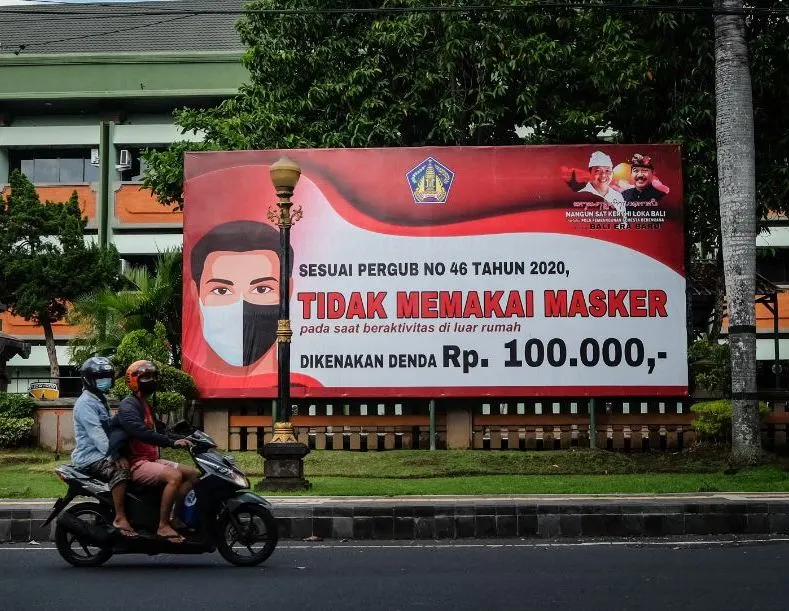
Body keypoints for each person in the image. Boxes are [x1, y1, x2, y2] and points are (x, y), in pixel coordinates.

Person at [109, 360, 198, 543]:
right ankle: (163, 526)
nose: (153, 380)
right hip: (136, 463)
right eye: (147, 377)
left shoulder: (145, 404)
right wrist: (170, 443)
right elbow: (139, 432)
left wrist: (186, 436)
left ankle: (174, 516)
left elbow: (160, 429)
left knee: (192, 474)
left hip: (151, 460)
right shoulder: (129, 405)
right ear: (134, 381)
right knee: (174, 476)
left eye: (154, 376)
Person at [189, 220, 291, 376]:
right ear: (196, 294)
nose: (240, 309)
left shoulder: (303, 385)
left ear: (287, 291)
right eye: (221, 291)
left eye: (261, 289)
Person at [70, 356, 136, 537]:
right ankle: (120, 517)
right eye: (100, 377)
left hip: (101, 453)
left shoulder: (99, 399)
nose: (105, 380)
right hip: (90, 457)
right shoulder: (85, 404)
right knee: (120, 472)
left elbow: (111, 426)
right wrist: (115, 455)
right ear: (89, 379)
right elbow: (97, 435)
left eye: (107, 376)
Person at [578, 150, 626, 218]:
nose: (603, 175)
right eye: (598, 171)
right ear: (590, 173)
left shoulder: (618, 196)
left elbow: (624, 222)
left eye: (607, 171)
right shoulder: (581, 196)